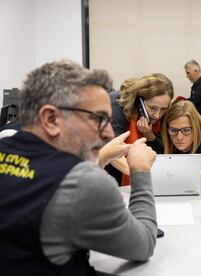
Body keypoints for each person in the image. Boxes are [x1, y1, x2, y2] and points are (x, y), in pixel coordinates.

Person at [0, 60, 158, 275]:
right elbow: (144, 244)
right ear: (51, 119)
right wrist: (140, 170)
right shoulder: (81, 182)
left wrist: (99, 158)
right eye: (99, 119)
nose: (109, 134)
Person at [109, 73, 174, 185]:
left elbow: (161, 151)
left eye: (163, 109)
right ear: (140, 101)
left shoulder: (160, 115)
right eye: (153, 108)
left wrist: (149, 135)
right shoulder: (119, 104)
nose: (157, 115)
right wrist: (139, 174)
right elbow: (111, 150)